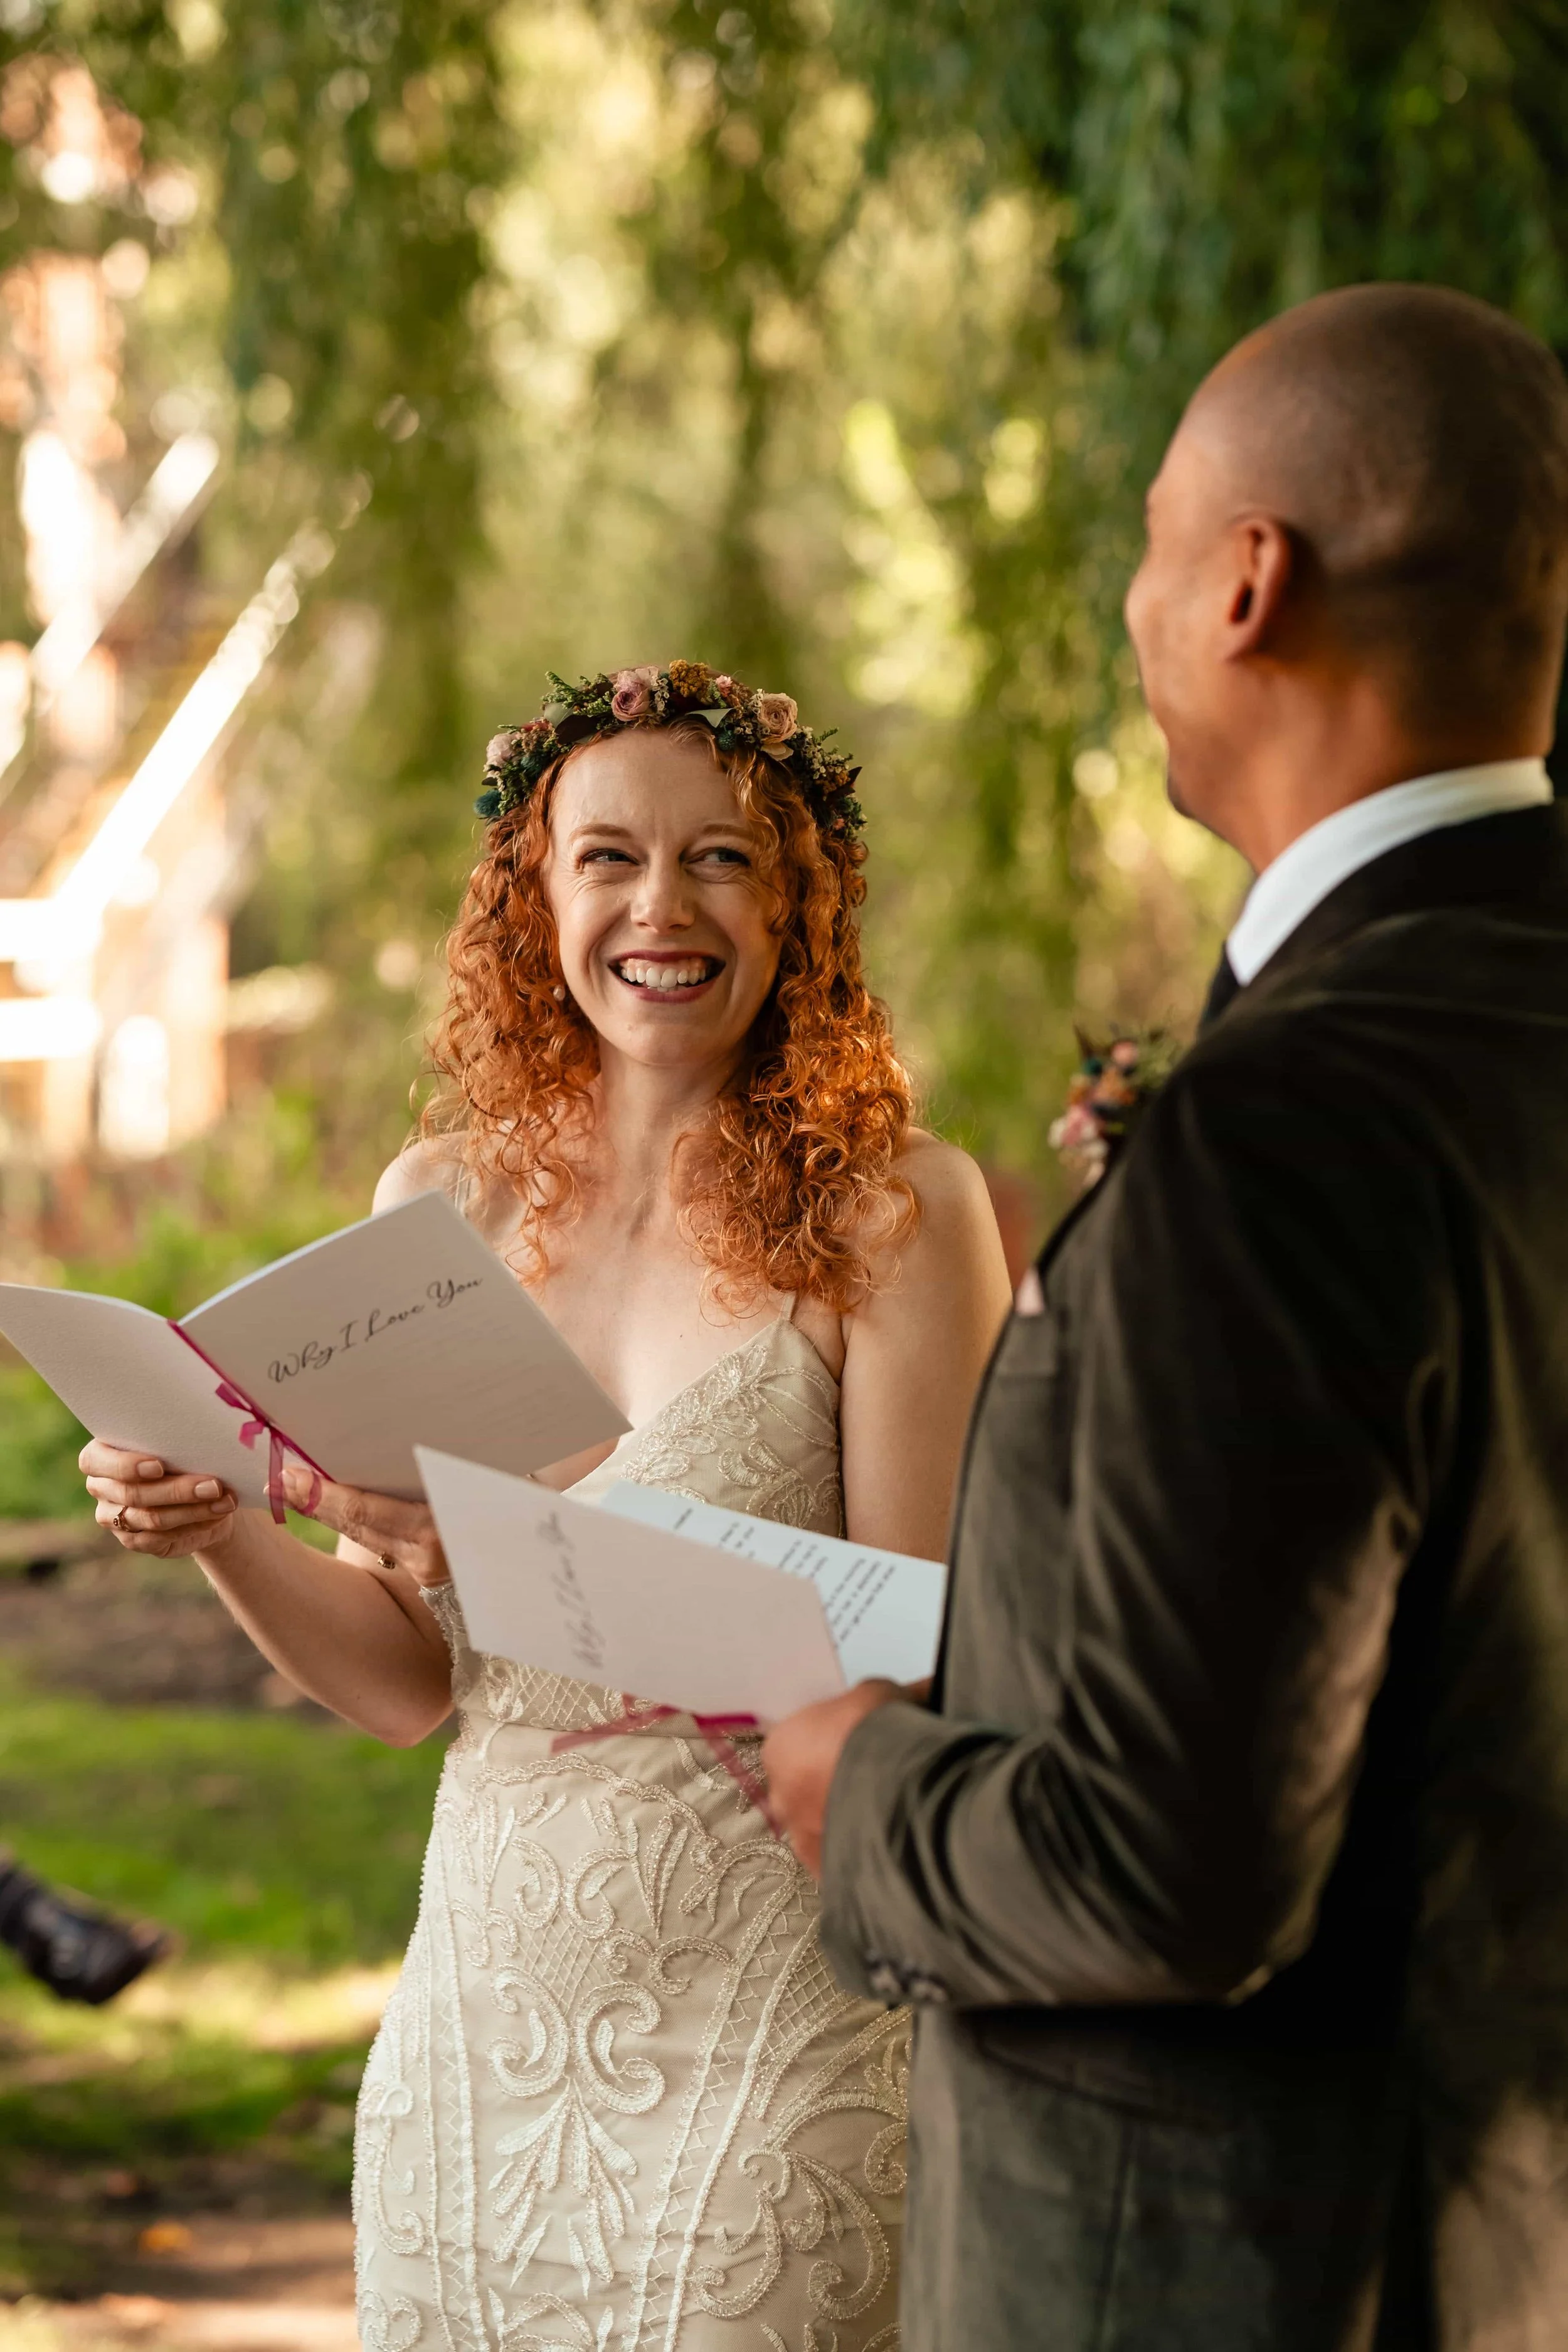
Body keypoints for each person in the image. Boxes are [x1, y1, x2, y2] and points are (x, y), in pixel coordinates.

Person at [762, 283, 1568, 2349]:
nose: (1127, 603)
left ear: (1243, 582)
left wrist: (863, 1787)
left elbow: (1165, 1870)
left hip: (1233, 2269)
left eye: (1142, 540)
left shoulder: (1283, 1121)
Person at [79, 661, 1012, 2351]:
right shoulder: (443, 1202)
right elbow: (410, 1681)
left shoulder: (902, 1215)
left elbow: (909, 1663)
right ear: (537, 891)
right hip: (482, 2020)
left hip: (773, 2021)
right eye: (608, 857)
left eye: (721, 856)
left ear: (798, 895)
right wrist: (224, 1521)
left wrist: (537, 1556)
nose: (662, 905)